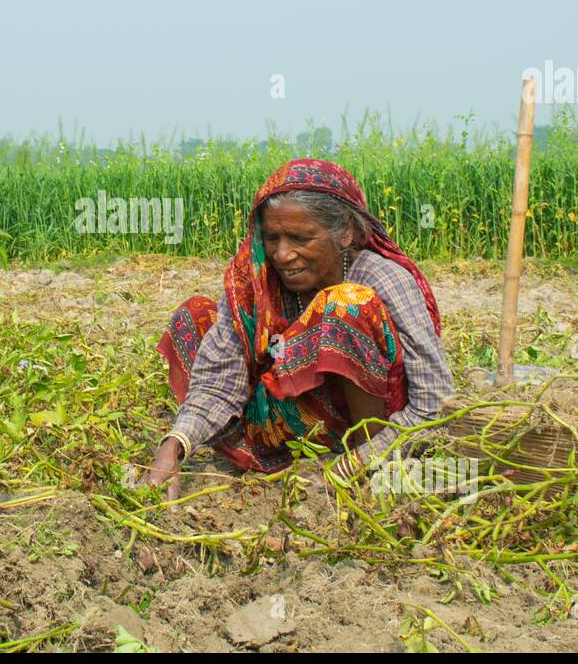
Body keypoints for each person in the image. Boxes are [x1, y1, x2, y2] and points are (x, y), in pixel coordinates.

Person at [144, 158, 454, 499]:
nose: (283, 254)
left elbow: (433, 404)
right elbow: (219, 382)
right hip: (277, 424)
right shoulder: (259, 283)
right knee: (198, 315)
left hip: (371, 438)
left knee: (345, 303)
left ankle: (367, 467)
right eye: (272, 238)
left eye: (300, 238)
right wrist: (174, 446)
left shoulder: (383, 279)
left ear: (346, 232)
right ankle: (268, 453)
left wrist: (354, 465)